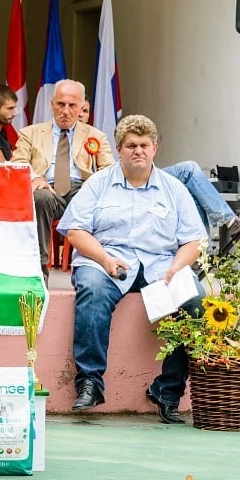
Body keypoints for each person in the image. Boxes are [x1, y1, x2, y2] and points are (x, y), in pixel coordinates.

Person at [57, 114, 206, 423]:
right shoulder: (98, 184)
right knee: (93, 290)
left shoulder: (174, 189)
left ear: (155, 148)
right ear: (119, 149)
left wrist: (177, 267)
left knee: (194, 302)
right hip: (107, 261)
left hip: (161, 266)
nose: (138, 151)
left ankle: (167, 391)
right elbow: (76, 231)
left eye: (144, 145)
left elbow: (193, 240)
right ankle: (90, 383)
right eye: (130, 145)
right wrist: (103, 259)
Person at [79, 99, 237, 233]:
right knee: (188, 169)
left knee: (189, 186)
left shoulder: (96, 135)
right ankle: (227, 222)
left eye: (85, 110)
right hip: (112, 183)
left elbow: (107, 164)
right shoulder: (58, 135)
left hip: (140, 174)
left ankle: (203, 255)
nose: (80, 114)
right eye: (77, 109)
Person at [11, 79, 115, 281]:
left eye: (72, 105)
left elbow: (109, 169)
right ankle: (38, 270)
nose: (65, 111)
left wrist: (92, 185)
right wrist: (35, 178)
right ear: (52, 104)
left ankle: (95, 268)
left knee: (105, 204)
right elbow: (18, 163)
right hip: (47, 189)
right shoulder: (29, 133)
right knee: (39, 198)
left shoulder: (97, 136)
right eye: (60, 104)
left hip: (82, 191)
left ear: (82, 107)